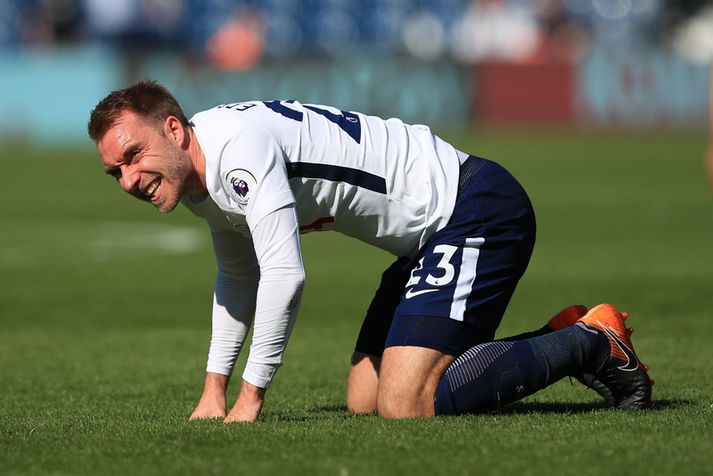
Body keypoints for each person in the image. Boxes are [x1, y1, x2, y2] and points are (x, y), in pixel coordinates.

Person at [88, 80, 652, 422]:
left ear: (173, 128)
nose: (129, 179)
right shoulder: (196, 174)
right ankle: (568, 334)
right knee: (367, 400)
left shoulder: (236, 154)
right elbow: (239, 278)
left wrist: (250, 398)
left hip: (471, 207)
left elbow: (283, 276)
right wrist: (214, 391)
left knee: (408, 403)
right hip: (424, 237)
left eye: (133, 155)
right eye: (115, 171)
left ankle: (589, 343)